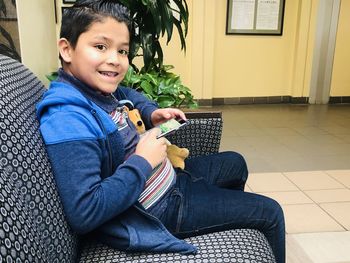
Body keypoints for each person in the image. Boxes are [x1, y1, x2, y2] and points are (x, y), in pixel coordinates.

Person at [36, 0, 285, 261]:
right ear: (66, 49)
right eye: (100, 47)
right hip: (158, 208)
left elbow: (125, 92)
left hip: (170, 178)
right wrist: (142, 161)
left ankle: (227, 217)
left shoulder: (94, 88)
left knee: (235, 162)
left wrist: (151, 112)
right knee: (271, 213)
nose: (115, 61)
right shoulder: (68, 118)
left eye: (122, 51)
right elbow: (85, 211)